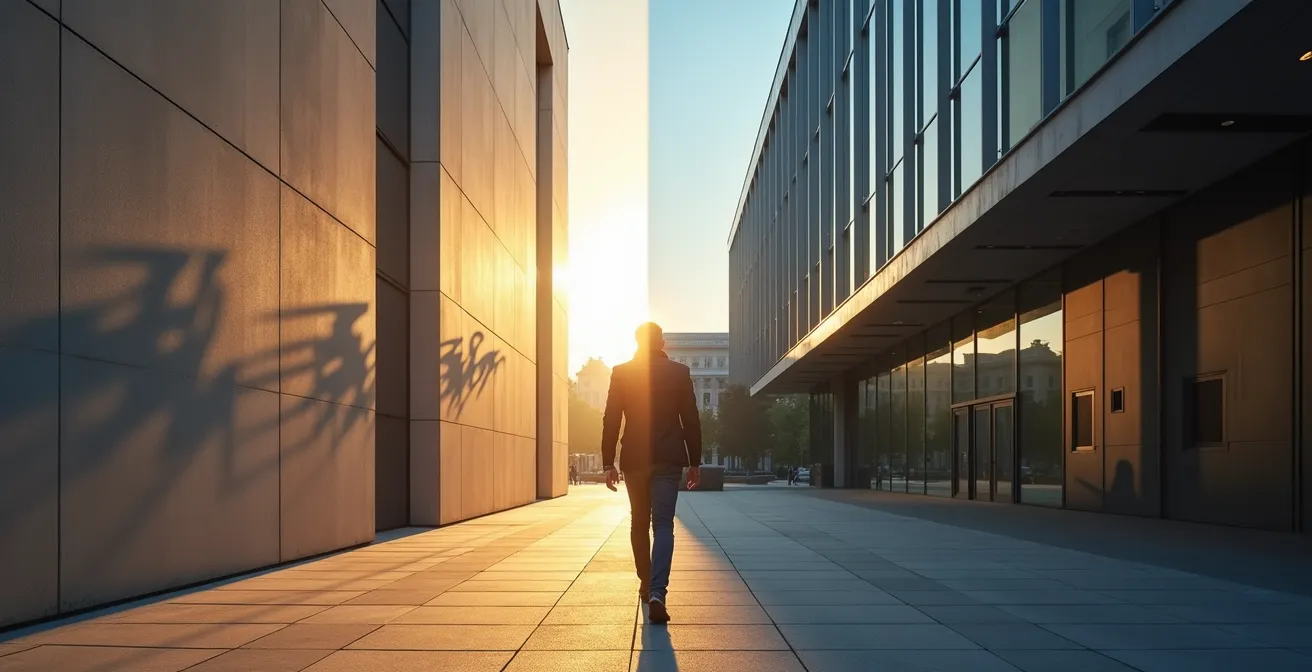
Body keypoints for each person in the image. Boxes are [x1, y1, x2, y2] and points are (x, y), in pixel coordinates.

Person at [602, 322, 701, 624]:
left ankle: (646, 584)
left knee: (638, 521)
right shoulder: (679, 372)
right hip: (669, 458)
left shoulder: (622, 371)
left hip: (634, 458)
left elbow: (611, 419)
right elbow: (691, 419)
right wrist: (694, 461)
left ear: (636, 341)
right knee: (663, 525)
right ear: (663, 342)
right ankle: (658, 591)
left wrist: (608, 462)